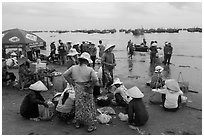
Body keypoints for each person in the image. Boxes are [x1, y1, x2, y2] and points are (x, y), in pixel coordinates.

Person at [63, 52, 99, 132]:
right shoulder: (90, 69)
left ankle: (78, 123)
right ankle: (90, 126)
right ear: (87, 61)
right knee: (88, 107)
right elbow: (95, 79)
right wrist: (91, 85)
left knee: (79, 105)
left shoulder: (73, 67)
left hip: (78, 88)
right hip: (87, 89)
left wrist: (71, 82)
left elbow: (65, 75)